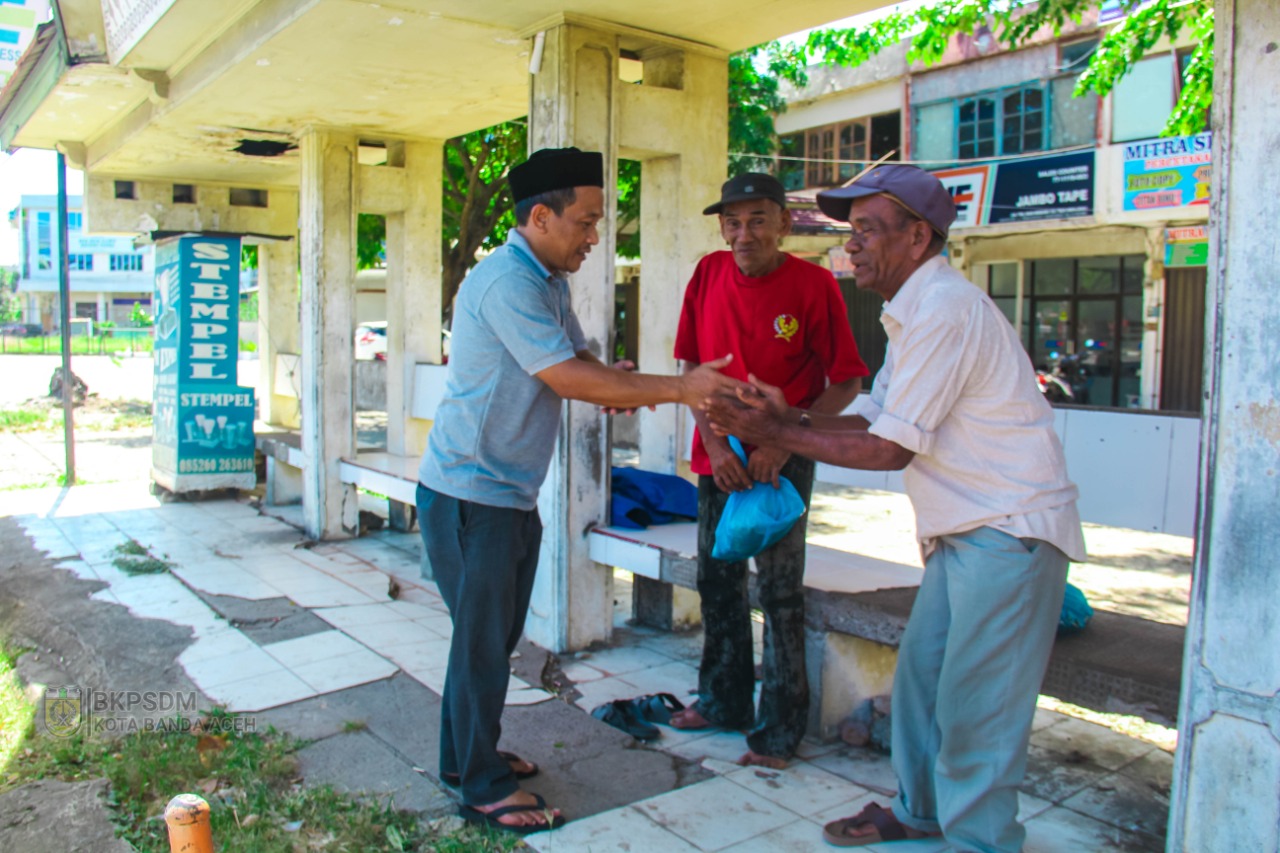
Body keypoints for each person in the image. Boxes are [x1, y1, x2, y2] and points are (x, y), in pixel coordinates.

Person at [703, 163, 1087, 852]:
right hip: (967, 534)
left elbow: (890, 451)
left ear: (918, 237)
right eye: (851, 233)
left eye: (868, 232)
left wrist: (779, 435)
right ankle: (920, 813)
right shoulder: (914, 310)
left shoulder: (943, 309)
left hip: (1010, 532)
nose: (853, 246)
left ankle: (980, 840)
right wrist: (789, 412)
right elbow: (878, 414)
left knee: (978, 710)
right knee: (922, 682)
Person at [416, 147, 744, 834]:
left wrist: (627, 382)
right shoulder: (507, 282)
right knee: (480, 643)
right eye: (587, 222)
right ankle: (479, 784)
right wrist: (679, 387)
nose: (596, 238)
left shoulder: (544, 282)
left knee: (489, 639)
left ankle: (465, 757)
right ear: (541, 216)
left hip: (504, 495)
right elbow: (567, 378)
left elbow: (583, 362)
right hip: (470, 497)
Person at [668, 173, 869, 768]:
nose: (742, 232)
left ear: (784, 223)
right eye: (732, 221)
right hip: (719, 457)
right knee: (717, 580)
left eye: (757, 219)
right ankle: (721, 700)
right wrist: (716, 447)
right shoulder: (707, 273)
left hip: (783, 460)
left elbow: (847, 381)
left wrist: (785, 440)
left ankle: (780, 731)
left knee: (780, 593)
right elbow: (687, 365)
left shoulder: (814, 285)